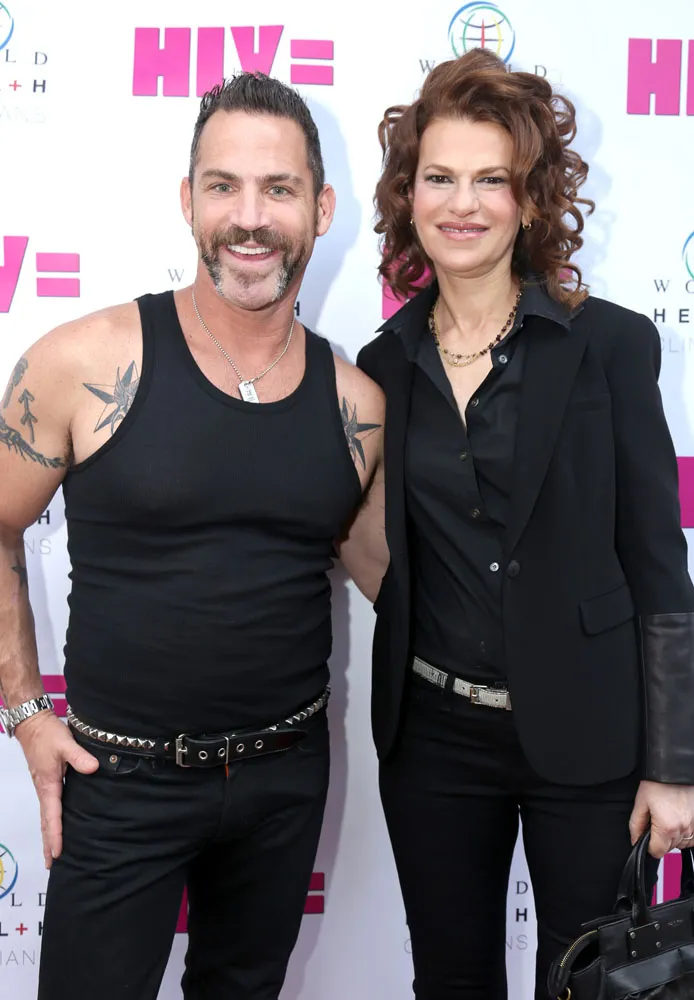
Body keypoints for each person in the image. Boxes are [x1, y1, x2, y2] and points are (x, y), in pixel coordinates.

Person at [0, 73, 383, 1000]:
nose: (250, 218)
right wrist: (24, 713)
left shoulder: (357, 405)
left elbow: (400, 587)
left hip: (285, 780)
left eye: (279, 189)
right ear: (187, 200)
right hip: (118, 780)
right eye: (223, 186)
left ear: (322, 209)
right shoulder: (84, 360)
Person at [352, 49, 694, 999]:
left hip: (589, 735)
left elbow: (658, 564)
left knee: (586, 983)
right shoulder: (382, 368)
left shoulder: (609, 345)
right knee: (449, 980)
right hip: (432, 739)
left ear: (531, 200)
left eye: (491, 180)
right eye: (439, 178)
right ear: (408, 196)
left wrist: (675, 767)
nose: (462, 204)